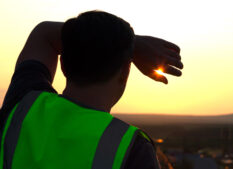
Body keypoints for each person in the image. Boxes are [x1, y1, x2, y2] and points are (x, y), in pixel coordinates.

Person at [0, 10, 183, 169]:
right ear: (125, 72)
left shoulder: (23, 104)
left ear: (62, 64)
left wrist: (133, 45)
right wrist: (124, 46)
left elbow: (43, 33)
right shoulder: (131, 148)